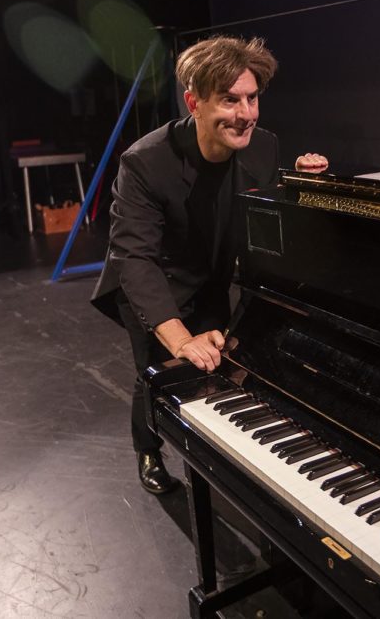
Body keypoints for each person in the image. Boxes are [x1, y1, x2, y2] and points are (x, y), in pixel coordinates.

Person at [91, 35, 328, 493]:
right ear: (193, 102)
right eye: (229, 100)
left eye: (252, 98)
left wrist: (301, 185)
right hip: (155, 283)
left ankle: (213, 456)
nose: (245, 114)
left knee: (220, 369)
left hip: (212, 278)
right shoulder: (144, 162)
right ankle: (148, 450)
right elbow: (134, 258)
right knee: (159, 374)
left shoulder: (263, 145)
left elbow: (267, 213)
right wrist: (179, 339)